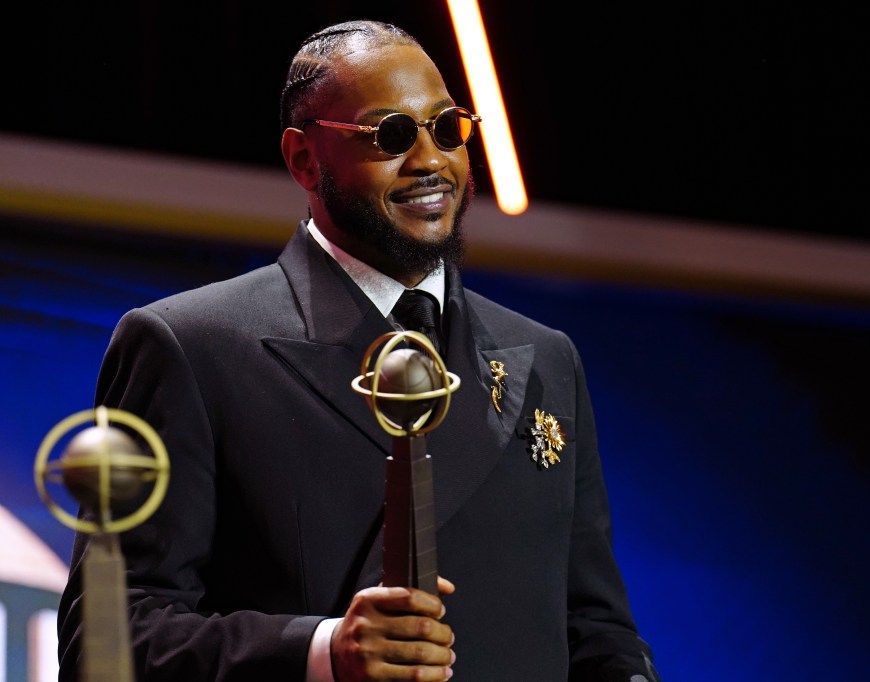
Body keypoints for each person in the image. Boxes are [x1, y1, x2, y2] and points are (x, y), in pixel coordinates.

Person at [56, 18, 660, 682]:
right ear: (303, 159)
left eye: (448, 128)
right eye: (392, 136)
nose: (431, 162)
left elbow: (597, 633)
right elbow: (106, 639)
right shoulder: (191, 347)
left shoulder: (546, 359)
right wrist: (321, 653)